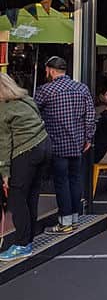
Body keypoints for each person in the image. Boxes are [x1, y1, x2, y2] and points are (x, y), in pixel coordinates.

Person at [34, 55, 95, 233]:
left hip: (57, 143)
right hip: (78, 143)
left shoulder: (45, 90)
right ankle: (75, 218)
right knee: (75, 180)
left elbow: (34, 114)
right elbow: (90, 116)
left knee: (61, 183)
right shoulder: (82, 88)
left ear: (51, 70)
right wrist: (88, 138)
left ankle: (65, 222)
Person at [0, 73, 50, 260]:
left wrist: (5, 172)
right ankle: (28, 240)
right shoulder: (26, 99)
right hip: (44, 146)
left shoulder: (3, 109)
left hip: (25, 152)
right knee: (31, 196)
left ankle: (21, 245)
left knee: (16, 198)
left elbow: (4, 143)